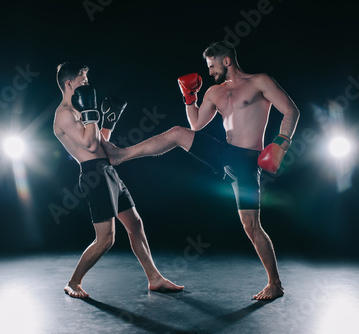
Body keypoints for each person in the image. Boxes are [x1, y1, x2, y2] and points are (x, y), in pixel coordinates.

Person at [102, 41, 300, 300]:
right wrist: (189, 97)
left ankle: (275, 284)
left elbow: (291, 110)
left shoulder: (260, 81)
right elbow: (195, 124)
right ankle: (121, 154)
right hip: (223, 153)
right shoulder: (214, 92)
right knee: (178, 133)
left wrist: (281, 143)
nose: (209, 72)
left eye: (212, 65)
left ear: (226, 60)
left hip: (247, 160)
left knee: (251, 226)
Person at [53, 62, 184, 299]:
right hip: (94, 175)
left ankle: (155, 278)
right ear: (69, 83)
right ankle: (73, 282)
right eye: (83, 82)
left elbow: (101, 143)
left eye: (87, 81)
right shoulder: (64, 115)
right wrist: (92, 112)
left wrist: (108, 123)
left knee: (135, 224)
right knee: (106, 239)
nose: (86, 85)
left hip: (108, 171)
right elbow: (89, 145)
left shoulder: (78, 111)